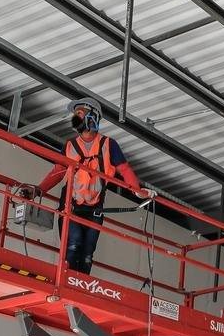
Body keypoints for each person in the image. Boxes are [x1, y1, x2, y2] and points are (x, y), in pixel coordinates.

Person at [19, 98, 153, 275]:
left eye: (80, 114)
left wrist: (138, 192)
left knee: (87, 256)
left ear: (93, 116)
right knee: (73, 246)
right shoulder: (69, 146)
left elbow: (124, 169)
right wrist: (38, 190)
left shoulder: (108, 145)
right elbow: (57, 172)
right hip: (71, 206)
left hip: (94, 209)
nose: (76, 118)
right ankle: (69, 284)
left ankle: (80, 289)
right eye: (75, 115)